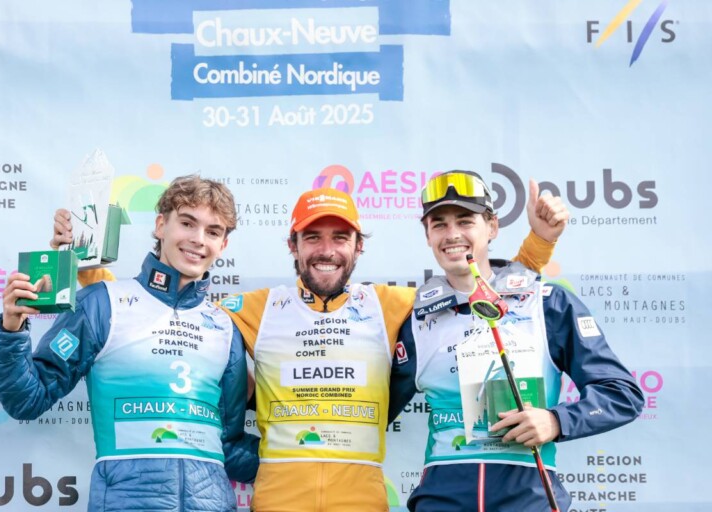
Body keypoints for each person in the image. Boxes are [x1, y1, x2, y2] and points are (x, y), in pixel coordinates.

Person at [66, 178, 568, 512]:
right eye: (312, 237)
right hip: (278, 499)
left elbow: (475, 293)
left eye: (340, 237)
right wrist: (91, 272)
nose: (326, 249)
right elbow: (161, 317)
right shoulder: (255, 307)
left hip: (363, 500)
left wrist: (537, 247)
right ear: (293, 246)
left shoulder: (394, 304)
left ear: (358, 247)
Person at [0, 176, 259, 512]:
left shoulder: (224, 327)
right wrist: (12, 329)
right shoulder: (102, 304)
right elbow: (27, 399)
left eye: (213, 231)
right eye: (187, 223)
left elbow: (229, 446)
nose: (198, 240)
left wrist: (324, 456)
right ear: (161, 225)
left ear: (223, 245)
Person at [392, 170, 644, 511]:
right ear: (427, 235)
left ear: (492, 227)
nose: (452, 235)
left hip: (528, 500)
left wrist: (556, 421)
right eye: (439, 224)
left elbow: (622, 394)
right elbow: (375, 408)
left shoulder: (547, 303)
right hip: (441, 500)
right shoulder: (416, 319)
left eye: (465, 221)